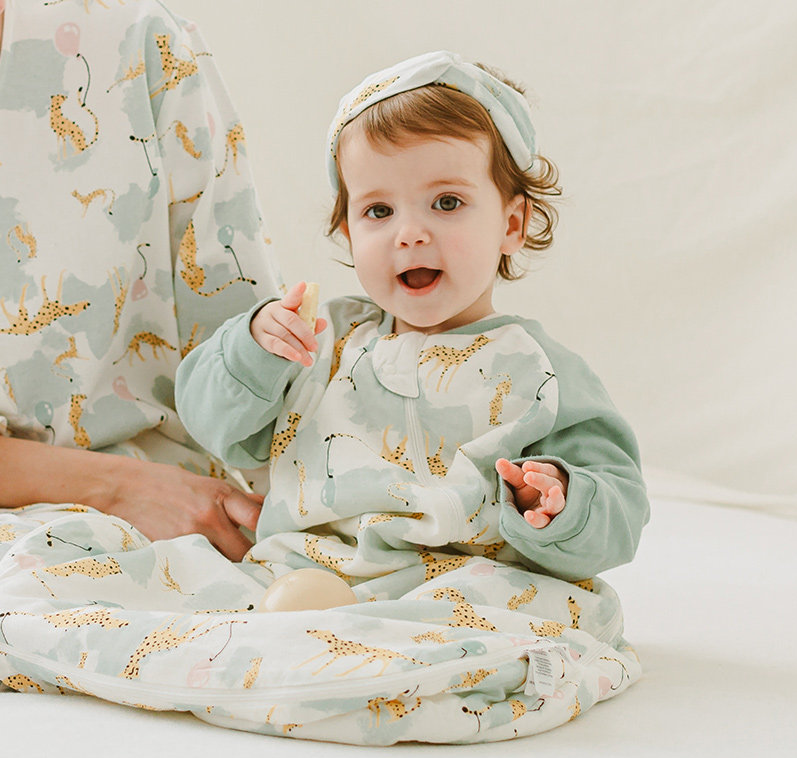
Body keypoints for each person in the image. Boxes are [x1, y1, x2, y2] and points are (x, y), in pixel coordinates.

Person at [176, 51, 649, 581]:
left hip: (466, 589)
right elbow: (216, 429)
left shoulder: (539, 373)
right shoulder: (319, 343)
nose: (410, 234)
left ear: (512, 224)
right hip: (307, 573)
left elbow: (621, 511)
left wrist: (561, 502)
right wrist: (251, 352)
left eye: (446, 203)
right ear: (350, 233)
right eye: (379, 211)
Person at [0, 0, 282, 560]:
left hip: (175, 515)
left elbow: (244, 353)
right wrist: (118, 487)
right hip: (120, 507)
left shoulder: (138, 38)